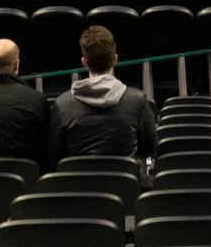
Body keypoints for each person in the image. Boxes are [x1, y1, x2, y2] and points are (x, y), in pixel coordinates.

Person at [49, 26, 157, 161]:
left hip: (78, 181)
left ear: (84, 61)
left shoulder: (62, 104)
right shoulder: (137, 100)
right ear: (115, 59)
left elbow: (54, 155)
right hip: (124, 181)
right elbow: (150, 149)